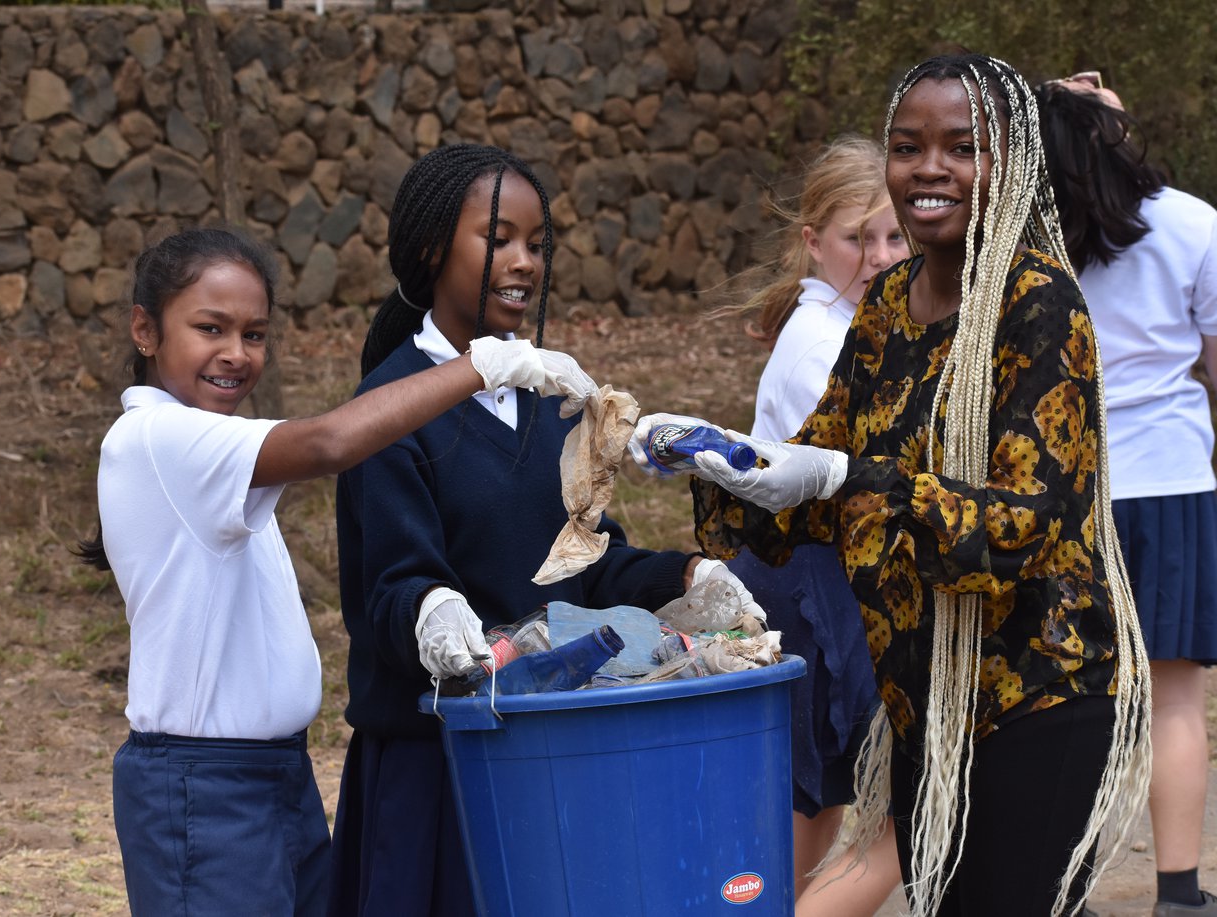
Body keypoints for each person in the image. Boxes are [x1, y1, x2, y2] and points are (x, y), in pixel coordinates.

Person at [628, 53, 1152, 917]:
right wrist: (719, 460)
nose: (930, 168)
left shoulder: (1040, 304)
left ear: (1009, 162)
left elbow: (1026, 527)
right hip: (921, 703)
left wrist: (848, 476)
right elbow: (813, 470)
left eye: (962, 147)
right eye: (908, 148)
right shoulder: (888, 303)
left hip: (1038, 690)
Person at [74, 226, 598, 916]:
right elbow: (330, 442)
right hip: (202, 784)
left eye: (254, 334)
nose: (235, 353)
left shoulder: (209, 444)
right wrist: (481, 367)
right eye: (210, 328)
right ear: (145, 329)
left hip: (275, 774)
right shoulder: (155, 437)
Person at [327, 144, 763, 917]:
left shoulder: (547, 401)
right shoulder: (390, 408)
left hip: (554, 759)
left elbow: (583, 569)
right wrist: (431, 609)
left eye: (536, 243)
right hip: (437, 769)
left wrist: (683, 580)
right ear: (431, 246)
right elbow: (393, 587)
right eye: (498, 239)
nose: (523, 261)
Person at [1036, 75, 1217, 917]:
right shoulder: (1191, 223)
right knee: (1175, 696)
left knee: (1067, 700)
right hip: (1174, 486)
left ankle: (1060, 886)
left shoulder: (1028, 235)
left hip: (1061, 491)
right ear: (1114, 131)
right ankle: (1178, 894)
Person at [723, 136, 905, 915]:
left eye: (893, 235)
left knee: (817, 801)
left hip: (820, 576)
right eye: (855, 237)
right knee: (906, 808)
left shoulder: (864, 322)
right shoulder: (819, 345)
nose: (878, 255)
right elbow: (873, 484)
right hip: (812, 581)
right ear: (811, 243)